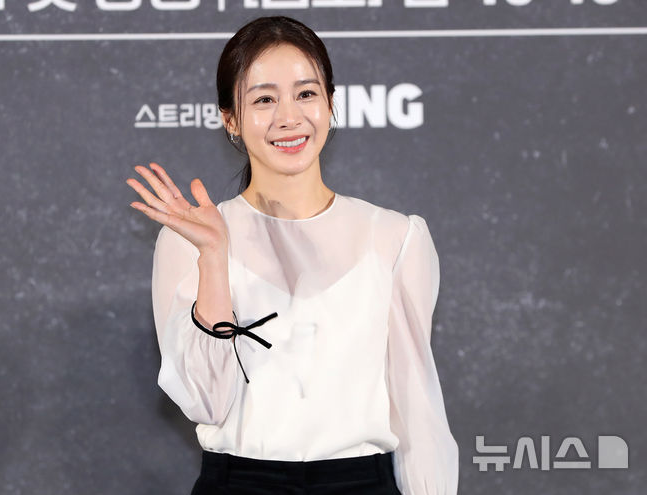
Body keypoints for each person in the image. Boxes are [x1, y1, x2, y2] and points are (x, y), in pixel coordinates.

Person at [126, 15, 459, 495]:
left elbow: (417, 411)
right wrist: (214, 257)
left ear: (330, 103)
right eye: (264, 99)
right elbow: (206, 402)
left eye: (306, 93)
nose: (289, 117)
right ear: (230, 119)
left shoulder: (394, 237)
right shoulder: (191, 239)